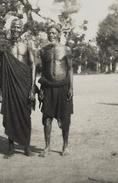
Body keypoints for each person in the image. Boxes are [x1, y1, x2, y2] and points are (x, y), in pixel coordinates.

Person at [0, 18, 36, 159]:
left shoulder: (27, 44)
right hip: (10, 86)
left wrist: (32, 89)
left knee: (26, 115)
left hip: (25, 84)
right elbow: (2, 69)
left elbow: (33, 65)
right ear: (10, 29)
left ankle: (26, 147)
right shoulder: (5, 46)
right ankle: (11, 148)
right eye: (14, 27)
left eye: (18, 27)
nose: (16, 30)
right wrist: (1, 91)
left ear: (22, 28)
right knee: (10, 114)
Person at [38, 24, 73, 157]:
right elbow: (43, 71)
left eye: (53, 33)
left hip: (63, 87)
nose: (51, 35)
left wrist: (71, 87)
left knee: (65, 118)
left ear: (58, 34)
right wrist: (41, 88)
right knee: (47, 117)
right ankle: (47, 147)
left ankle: (65, 146)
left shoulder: (66, 50)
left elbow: (70, 69)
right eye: (49, 33)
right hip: (48, 87)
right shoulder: (43, 51)